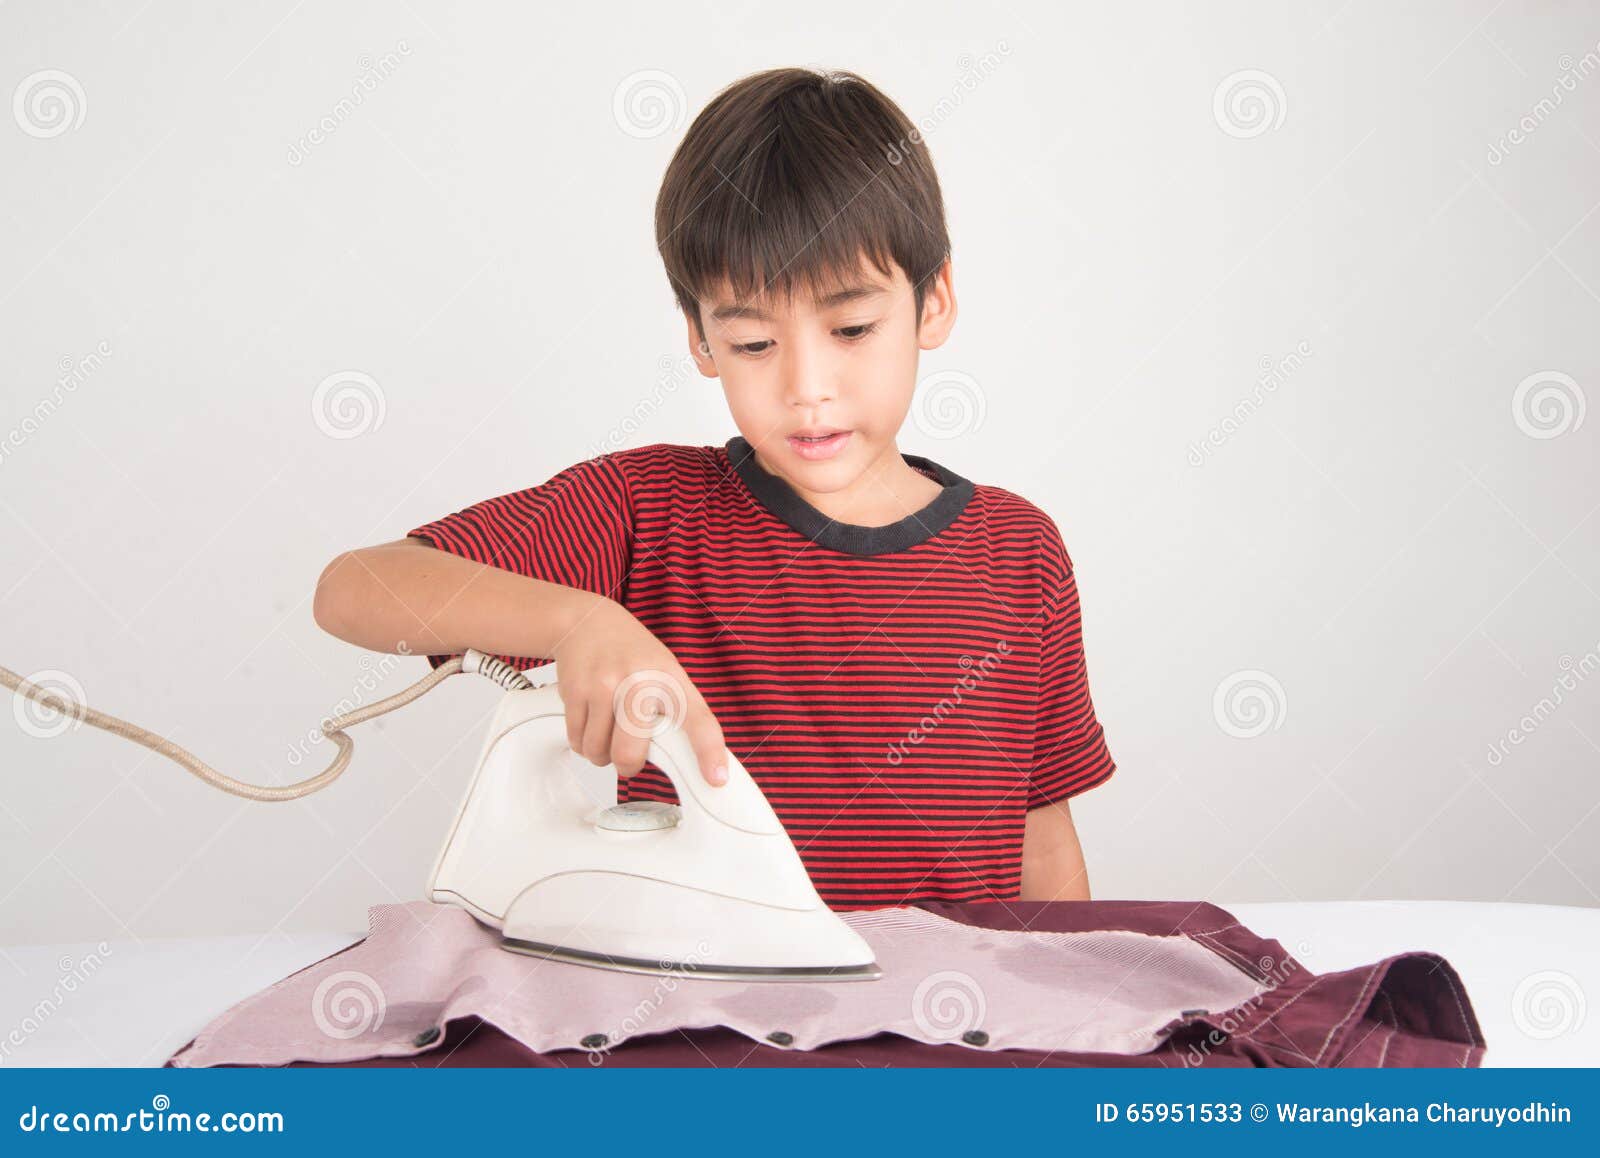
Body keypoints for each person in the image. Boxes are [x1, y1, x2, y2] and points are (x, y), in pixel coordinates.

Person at [313, 67, 1116, 908]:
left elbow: (1042, 838)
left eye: (850, 329)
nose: (807, 388)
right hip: (707, 1021)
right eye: (753, 344)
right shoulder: (648, 511)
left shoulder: (1020, 553)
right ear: (699, 338)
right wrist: (582, 621)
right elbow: (354, 590)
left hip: (949, 1028)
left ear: (933, 302)